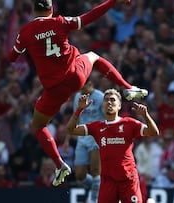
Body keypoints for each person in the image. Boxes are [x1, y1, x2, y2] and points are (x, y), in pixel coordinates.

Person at [8, 0, 147, 186]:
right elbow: (90, 16)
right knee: (94, 57)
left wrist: (24, 47)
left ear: (34, 10)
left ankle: (60, 165)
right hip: (75, 76)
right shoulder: (59, 22)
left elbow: (11, 57)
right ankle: (127, 87)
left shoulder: (25, 32)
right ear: (51, 9)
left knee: (38, 125)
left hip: (54, 90)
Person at [66, 88, 159, 203]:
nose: (109, 102)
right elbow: (70, 130)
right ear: (102, 105)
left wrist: (145, 115)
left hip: (127, 179)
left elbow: (154, 132)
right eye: (106, 100)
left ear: (119, 105)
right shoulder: (97, 127)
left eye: (112, 100)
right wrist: (79, 110)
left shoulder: (129, 123)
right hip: (108, 181)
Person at [72, 80, 104, 203]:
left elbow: (107, 117)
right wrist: (67, 139)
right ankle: (97, 187)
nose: (80, 90)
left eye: (82, 87)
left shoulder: (100, 97)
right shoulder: (78, 97)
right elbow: (76, 118)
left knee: (96, 171)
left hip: (96, 138)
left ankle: (94, 199)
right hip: (82, 138)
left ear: (90, 84)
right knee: (80, 175)